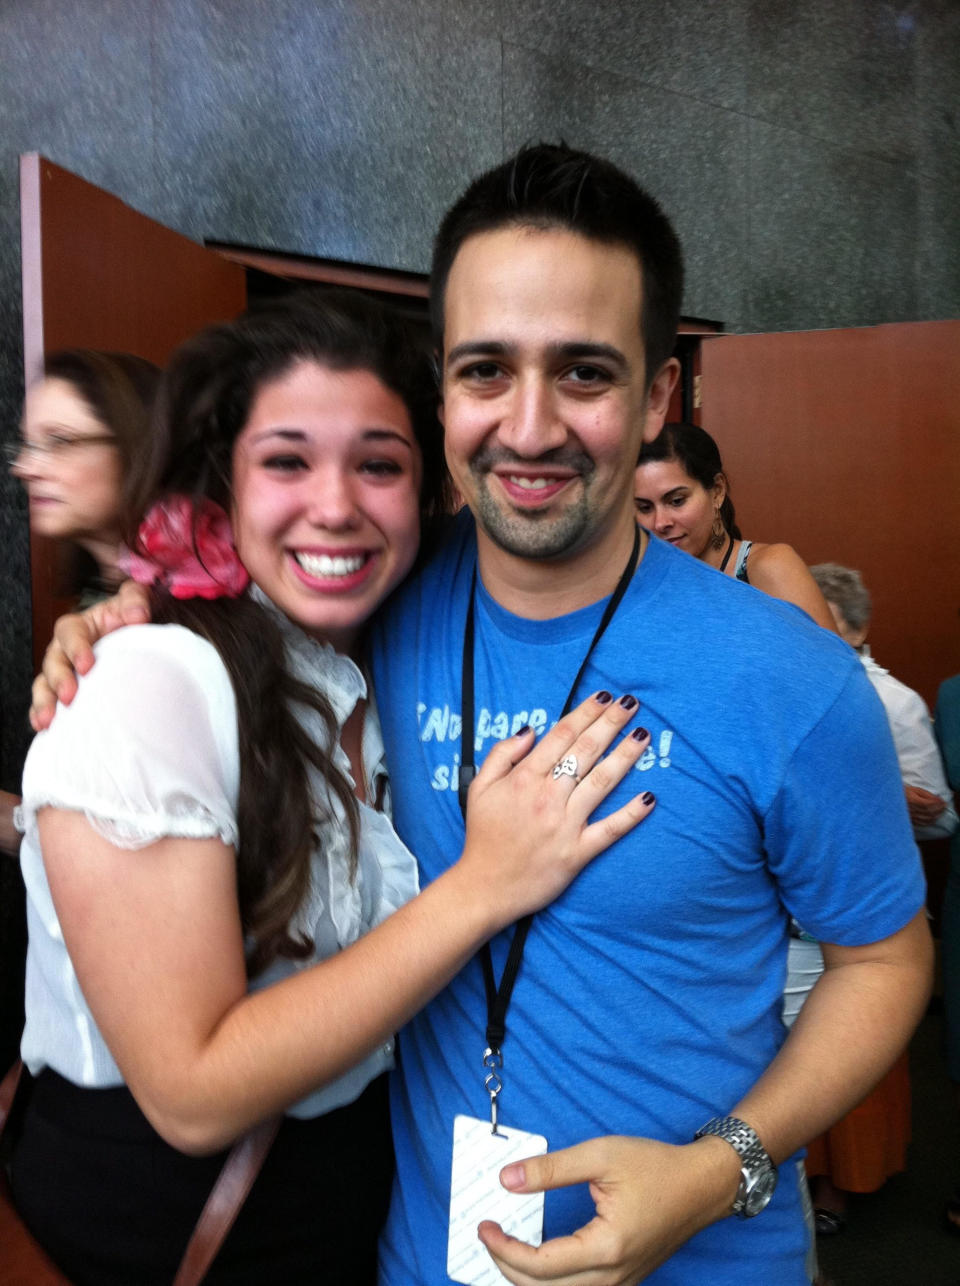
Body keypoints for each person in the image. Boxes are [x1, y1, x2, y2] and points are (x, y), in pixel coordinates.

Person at [34, 147, 932, 1285]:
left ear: (659, 395)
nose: (530, 425)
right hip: (417, 1256)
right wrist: (119, 619)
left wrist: (719, 1168)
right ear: (446, 392)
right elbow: (234, 594)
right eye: (487, 370)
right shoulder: (380, 597)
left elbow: (887, 958)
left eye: (587, 374)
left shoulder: (786, 677)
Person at [10, 291, 655, 1285]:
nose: (336, 503)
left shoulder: (389, 660)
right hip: (161, 1225)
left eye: (379, 463)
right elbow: (193, 1091)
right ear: (223, 478)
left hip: (358, 1204)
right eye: (286, 459)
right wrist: (486, 882)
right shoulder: (150, 682)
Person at [634, 421, 835, 629]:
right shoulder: (643, 583)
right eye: (645, 508)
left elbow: (831, 661)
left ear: (717, 491)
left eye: (677, 501)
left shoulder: (769, 567)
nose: (660, 523)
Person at [811, 563, 957, 840]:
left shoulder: (894, 702)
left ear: (858, 631)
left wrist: (884, 797)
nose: (806, 636)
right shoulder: (766, 694)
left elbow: (941, 821)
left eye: (822, 624)